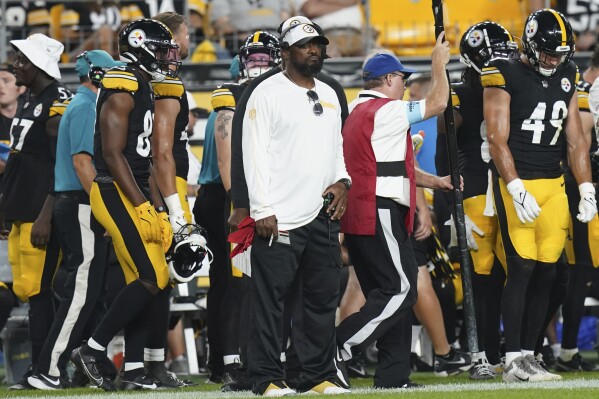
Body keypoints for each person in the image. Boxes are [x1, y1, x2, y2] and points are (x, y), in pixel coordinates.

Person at [482, 9, 597, 382]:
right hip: (518, 181)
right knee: (521, 267)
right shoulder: (503, 72)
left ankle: (529, 355)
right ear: (530, 46)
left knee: (549, 271)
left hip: (554, 183)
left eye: (559, 53)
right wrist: (513, 186)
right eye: (547, 52)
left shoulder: (568, 73)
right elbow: (497, 138)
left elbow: (576, 138)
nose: (554, 60)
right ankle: (512, 359)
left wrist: (585, 187)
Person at [336, 31, 452, 388]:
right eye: (401, 77)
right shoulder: (385, 110)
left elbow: (388, 165)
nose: (404, 84)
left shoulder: (357, 110)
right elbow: (438, 104)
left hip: (364, 211)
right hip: (378, 210)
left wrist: (437, 183)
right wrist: (438, 65)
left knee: (387, 294)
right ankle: (338, 346)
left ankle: (392, 375)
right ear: (387, 79)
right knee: (401, 291)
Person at [70, 18, 181, 392]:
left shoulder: (145, 83)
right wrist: (142, 206)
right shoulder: (122, 82)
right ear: (140, 45)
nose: (169, 56)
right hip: (112, 188)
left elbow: (143, 158)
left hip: (133, 187)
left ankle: (133, 369)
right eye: (162, 49)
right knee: (152, 277)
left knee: (148, 280)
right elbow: (114, 155)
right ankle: (92, 348)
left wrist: (158, 206)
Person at [242, 16, 351, 396]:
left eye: (318, 44)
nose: (315, 50)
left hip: (322, 213)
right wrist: (262, 209)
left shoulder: (332, 93)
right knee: (270, 303)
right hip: (280, 215)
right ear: (285, 52)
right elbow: (252, 154)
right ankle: (266, 378)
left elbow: (337, 149)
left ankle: (315, 375)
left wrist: (343, 181)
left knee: (321, 301)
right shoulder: (265, 92)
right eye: (306, 45)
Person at [26, 50, 124, 391]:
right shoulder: (85, 107)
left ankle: (77, 365)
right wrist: (104, 207)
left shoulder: (84, 105)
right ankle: (47, 368)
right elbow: (83, 164)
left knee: (88, 291)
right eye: (111, 74)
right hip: (81, 204)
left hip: (78, 204)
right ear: (98, 75)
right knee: (80, 292)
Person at [439, 21, 519, 379]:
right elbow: (446, 152)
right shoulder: (460, 94)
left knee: (529, 272)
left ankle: (521, 348)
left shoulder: (521, 82)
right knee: (484, 281)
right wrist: (448, 207)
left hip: (514, 187)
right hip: (475, 190)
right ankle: (484, 353)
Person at [2, 33, 72, 391]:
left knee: (41, 291)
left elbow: (63, 165)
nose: (15, 66)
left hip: (39, 212)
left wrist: (47, 212)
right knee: (30, 290)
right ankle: (40, 366)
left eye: (21, 60)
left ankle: (48, 367)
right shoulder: (31, 100)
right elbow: (21, 161)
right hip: (19, 209)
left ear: (39, 64)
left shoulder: (57, 102)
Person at [212, 30, 281, 392]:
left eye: (264, 58)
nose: (258, 65)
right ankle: (239, 363)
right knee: (243, 282)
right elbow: (227, 161)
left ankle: (274, 357)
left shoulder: (285, 92)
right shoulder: (230, 95)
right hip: (247, 204)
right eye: (252, 58)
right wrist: (243, 204)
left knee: (277, 282)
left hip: (281, 199)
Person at [145, 11, 194, 389]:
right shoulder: (162, 82)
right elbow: (159, 152)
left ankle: (149, 363)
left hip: (164, 183)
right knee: (156, 278)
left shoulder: (164, 79)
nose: (190, 40)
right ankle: (102, 351)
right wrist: (172, 206)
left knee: (161, 280)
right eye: (186, 34)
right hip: (161, 186)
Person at [557, 50, 599, 372]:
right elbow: (579, 149)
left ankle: (564, 348)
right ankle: (566, 348)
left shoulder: (580, 90)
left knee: (577, 272)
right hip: (581, 188)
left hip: (578, 187)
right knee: (578, 271)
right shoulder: (582, 92)